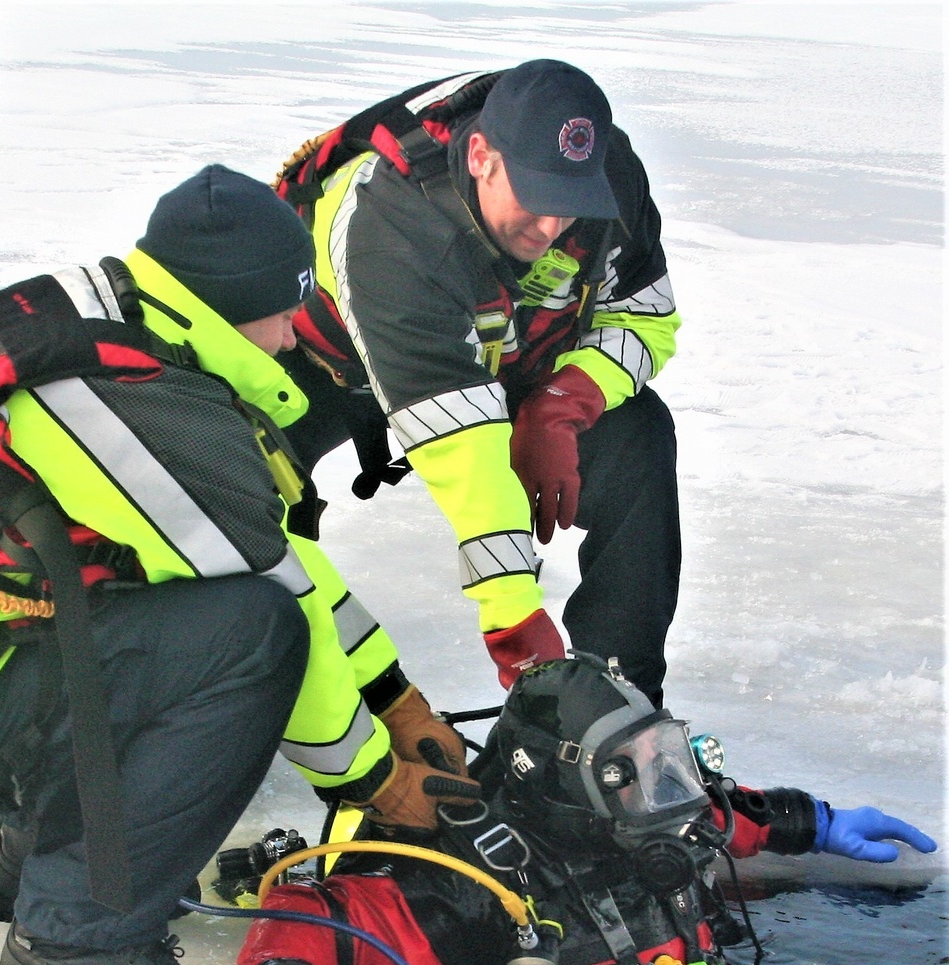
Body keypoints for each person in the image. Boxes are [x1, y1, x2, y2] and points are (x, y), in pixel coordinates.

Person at [0, 164, 478, 965]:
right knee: (246, 637)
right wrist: (374, 779)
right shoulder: (125, 400)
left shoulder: (115, 324)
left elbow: (278, 548)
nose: (287, 340)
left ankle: (33, 857)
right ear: (235, 304)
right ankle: (77, 942)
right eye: (284, 314)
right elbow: (274, 601)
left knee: (167, 610)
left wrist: (394, 695)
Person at [232, 654, 937, 965]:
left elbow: (724, 813)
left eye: (664, 756)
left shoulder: (641, 826)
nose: (664, 790)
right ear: (564, 786)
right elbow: (308, 920)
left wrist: (813, 819)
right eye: (628, 773)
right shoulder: (470, 887)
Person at [276, 59, 681, 704]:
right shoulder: (394, 219)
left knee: (639, 436)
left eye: (570, 207)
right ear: (482, 157)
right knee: (241, 491)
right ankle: (293, 691)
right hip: (326, 362)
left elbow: (644, 317)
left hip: (503, 348)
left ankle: (620, 703)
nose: (553, 228)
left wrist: (561, 406)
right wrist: (519, 630)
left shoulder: (608, 179)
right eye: (537, 198)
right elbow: (464, 452)